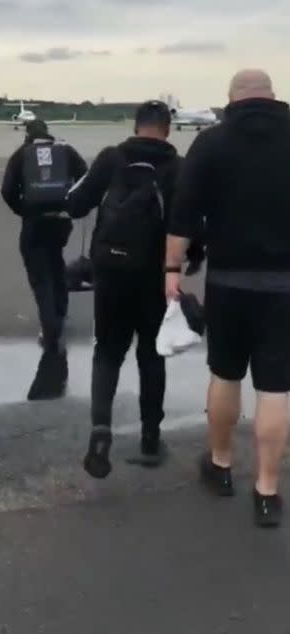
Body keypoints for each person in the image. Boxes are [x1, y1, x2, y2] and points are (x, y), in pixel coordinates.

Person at [166, 69, 290, 529]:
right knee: (276, 389)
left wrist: (172, 270)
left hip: (229, 282)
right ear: (273, 96)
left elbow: (183, 213)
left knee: (225, 374)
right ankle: (267, 492)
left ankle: (220, 466)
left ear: (232, 98)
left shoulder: (211, 143)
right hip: (285, 285)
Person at [67, 100, 204, 478]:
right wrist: (193, 256)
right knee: (150, 355)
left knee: (107, 352)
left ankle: (100, 431)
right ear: (167, 129)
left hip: (110, 271)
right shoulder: (177, 167)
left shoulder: (112, 158)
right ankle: (149, 437)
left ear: (135, 125)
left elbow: (77, 204)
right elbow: (189, 218)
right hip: (155, 277)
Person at [1, 119, 87, 400]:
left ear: (28, 136)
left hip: (34, 222)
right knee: (55, 263)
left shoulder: (21, 155)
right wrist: (71, 207)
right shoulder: (66, 152)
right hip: (61, 222)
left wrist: (24, 209)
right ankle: (59, 314)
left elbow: (7, 191)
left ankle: (51, 329)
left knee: (40, 276)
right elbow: (86, 178)